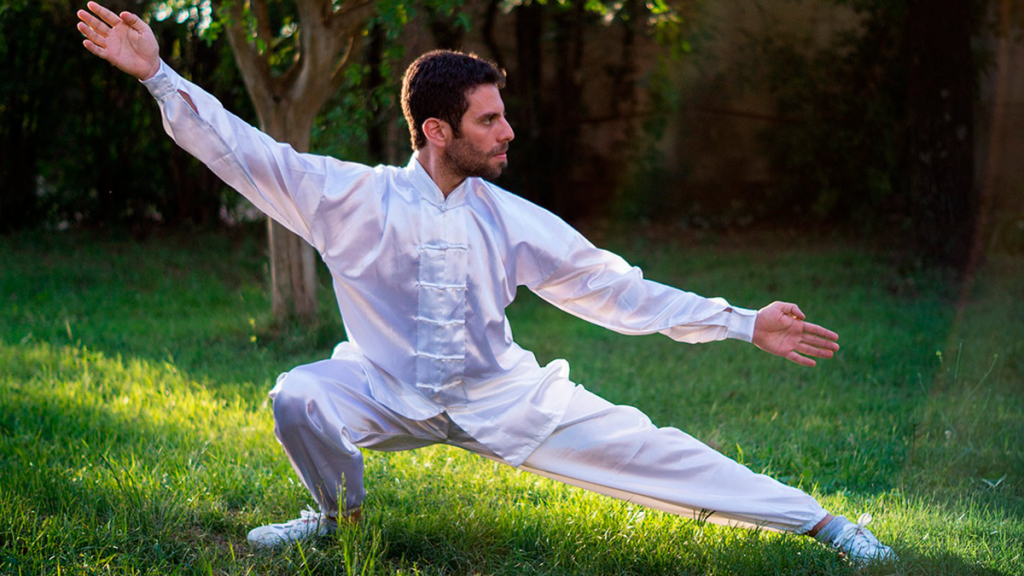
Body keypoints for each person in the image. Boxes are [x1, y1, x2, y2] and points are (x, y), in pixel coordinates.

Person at [77, 1, 896, 564]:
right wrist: (157, 76)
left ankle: (826, 525)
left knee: (660, 454)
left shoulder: (513, 220)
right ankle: (335, 521)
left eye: (503, 116)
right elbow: (241, 150)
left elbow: (617, 291)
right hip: (384, 390)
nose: (509, 131)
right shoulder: (348, 198)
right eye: (489, 120)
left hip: (507, 401)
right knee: (297, 394)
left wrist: (741, 321)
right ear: (436, 131)